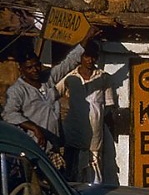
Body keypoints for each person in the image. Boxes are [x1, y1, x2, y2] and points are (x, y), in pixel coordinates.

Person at [2, 28, 100, 170]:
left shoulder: (47, 80)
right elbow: (9, 114)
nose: (35, 70)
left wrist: (86, 38)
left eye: (37, 65)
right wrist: (34, 128)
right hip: (32, 150)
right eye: (29, 68)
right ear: (21, 69)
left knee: (57, 186)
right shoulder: (18, 90)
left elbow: (69, 62)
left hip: (52, 148)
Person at [56, 40, 115, 184]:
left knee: (94, 168)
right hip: (73, 132)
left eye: (93, 57)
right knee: (73, 169)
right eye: (86, 56)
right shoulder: (70, 77)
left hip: (95, 135)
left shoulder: (104, 77)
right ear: (81, 57)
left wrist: (98, 118)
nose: (90, 60)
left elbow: (108, 105)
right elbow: (53, 95)